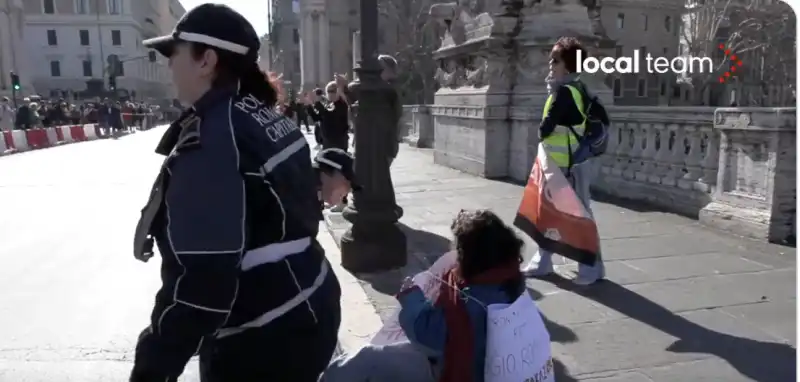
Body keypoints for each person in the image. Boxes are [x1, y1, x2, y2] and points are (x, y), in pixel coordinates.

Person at [132, 3, 346, 381]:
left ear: (206, 60)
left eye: (174, 53)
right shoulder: (260, 113)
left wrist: (152, 369)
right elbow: (279, 194)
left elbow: (203, 285)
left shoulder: (213, 140)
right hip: (308, 304)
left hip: (262, 337)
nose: (168, 65)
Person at [321, 209, 528, 382]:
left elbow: (425, 333)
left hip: (458, 368)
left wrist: (411, 296)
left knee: (366, 359)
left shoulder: (471, 301)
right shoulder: (510, 279)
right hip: (487, 363)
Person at [520, 36, 606, 285]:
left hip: (565, 166)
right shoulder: (577, 89)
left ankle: (590, 269)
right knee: (552, 215)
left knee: (576, 217)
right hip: (568, 163)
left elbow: (544, 130)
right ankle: (544, 262)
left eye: (554, 60)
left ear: (567, 66)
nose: (550, 64)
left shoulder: (563, 93)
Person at [304, 79, 351, 212]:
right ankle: (335, 198)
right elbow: (318, 118)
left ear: (338, 92)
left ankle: (343, 201)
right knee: (329, 172)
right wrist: (309, 105)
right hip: (328, 143)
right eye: (328, 91)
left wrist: (317, 102)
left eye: (333, 91)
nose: (330, 94)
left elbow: (329, 116)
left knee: (339, 172)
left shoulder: (341, 105)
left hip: (338, 143)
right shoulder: (331, 104)